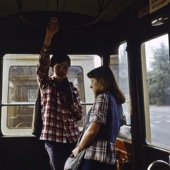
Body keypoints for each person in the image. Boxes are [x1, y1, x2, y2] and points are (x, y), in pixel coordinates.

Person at [36, 18, 83, 170]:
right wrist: (49, 36)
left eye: (65, 67)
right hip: (53, 137)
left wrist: (68, 99)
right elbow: (42, 63)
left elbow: (78, 115)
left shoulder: (72, 88)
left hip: (72, 137)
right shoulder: (46, 83)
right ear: (52, 68)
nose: (62, 70)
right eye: (58, 67)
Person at [72, 66, 125, 170]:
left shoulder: (102, 97)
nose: (91, 86)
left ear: (101, 81)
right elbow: (120, 123)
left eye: (92, 81)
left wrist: (78, 149)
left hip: (94, 157)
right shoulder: (117, 101)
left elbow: (92, 131)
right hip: (109, 158)